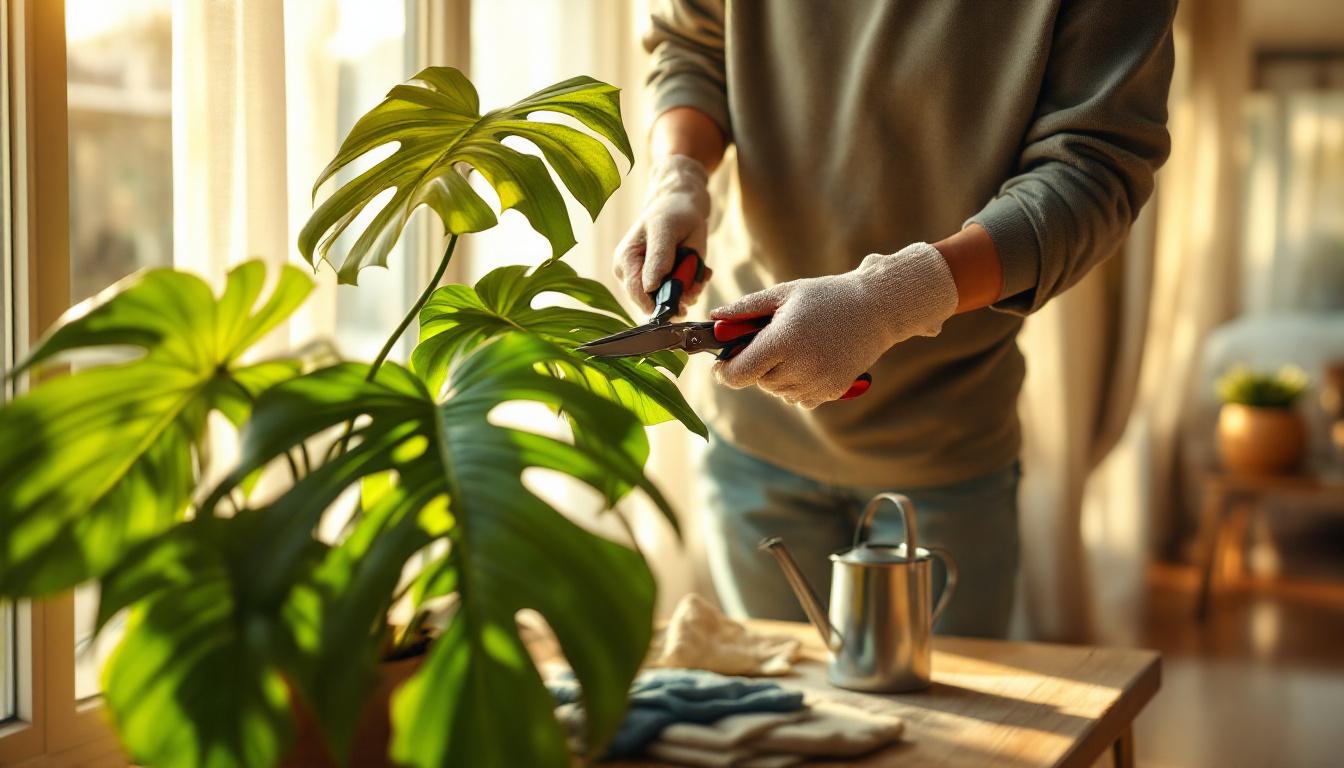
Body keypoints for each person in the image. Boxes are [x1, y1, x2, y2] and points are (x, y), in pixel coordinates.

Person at [613, 1, 1176, 638]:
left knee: (945, 701)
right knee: (777, 691)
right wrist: (679, 174)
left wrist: (895, 298)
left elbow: (1094, 168)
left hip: (947, 443)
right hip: (752, 439)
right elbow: (692, 47)